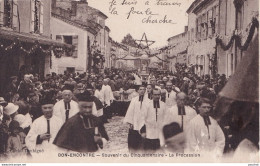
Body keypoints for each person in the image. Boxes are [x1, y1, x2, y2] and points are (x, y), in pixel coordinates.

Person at [124, 85, 148, 152]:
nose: (142, 91)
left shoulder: (148, 101)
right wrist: (130, 122)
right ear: (138, 91)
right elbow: (130, 111)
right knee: (134, 138)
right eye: (140, 89)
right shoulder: (134, 100)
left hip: (144, 122)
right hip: (135, 121)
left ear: (145, 91)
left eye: (143, 89)